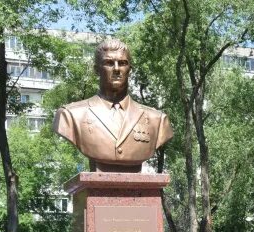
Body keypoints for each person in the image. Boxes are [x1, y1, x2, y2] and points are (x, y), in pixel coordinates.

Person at [53, 39, 172, 173]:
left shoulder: (158, 120)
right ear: (96, 70)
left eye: (122, 63)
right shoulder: (71, 115)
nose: (116, 69)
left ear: (129, 69)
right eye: (109, 63)